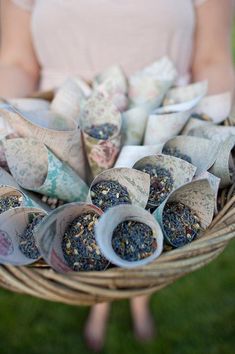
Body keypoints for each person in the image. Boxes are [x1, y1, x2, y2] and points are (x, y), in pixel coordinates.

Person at [0, 0, 234, 352]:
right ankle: (102, 301)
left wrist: (223, 137)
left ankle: (139, 294)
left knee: (149, 233)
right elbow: (16, 60)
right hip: (61, 135)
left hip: (161, 134)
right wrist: (9, 124)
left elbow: (212, 57)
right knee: (84, 235)